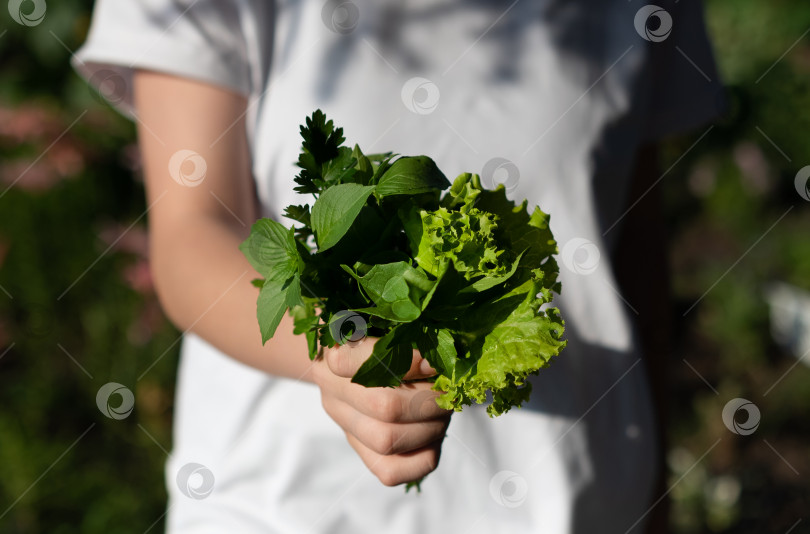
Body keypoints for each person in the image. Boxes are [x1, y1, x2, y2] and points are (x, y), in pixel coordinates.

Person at [73, 0, 721, 532]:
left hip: (579, 500)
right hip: (293, 505)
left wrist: (654, 492)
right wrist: (335, 347)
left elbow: (633, 246)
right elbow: (192, 235)